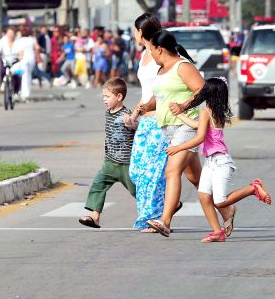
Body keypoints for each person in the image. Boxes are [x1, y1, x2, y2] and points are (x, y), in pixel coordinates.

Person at [167, 78, 272, 242]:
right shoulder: (215, 111)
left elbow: (200, 137)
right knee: (203, 196)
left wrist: (178, 148)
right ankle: (217, 232)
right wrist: (179, 114)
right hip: (211, 162)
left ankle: (253, 188)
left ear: (208, 93)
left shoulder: (206, 112)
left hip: (221, 162)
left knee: (220, 201)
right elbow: (197, 126)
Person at [141, 30, 220, 237]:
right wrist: (144, 108)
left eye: (151, 51)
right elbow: (160, 97)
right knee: (196, 178)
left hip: (187, 126)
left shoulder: (182, 66)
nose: (151, 55)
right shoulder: (161, 71)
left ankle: (165, 221)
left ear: (160, 49)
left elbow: (203, 90)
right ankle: (227, 209)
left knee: (172, 171)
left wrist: (184, 105)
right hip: (168, 128)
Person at [125, 13, 169, 232]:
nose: (134, 34)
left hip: (161, 121)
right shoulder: (144, 55)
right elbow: (146, 93)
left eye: (135, 29)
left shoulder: (162, 52)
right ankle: (155, 211)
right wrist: (134, 115)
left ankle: (154, 217)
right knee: (137, 170)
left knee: (154, 172)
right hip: (144, 122)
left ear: (141, 31)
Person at [79, 78, 137, 228]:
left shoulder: (126, 114)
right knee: (98, 185)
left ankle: (165, 208)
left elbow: (135, 125)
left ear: (119, 97)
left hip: (126, 163)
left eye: (107, 96)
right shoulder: (108, 113)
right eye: (103, 97)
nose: (104, 100)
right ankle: (95, 217)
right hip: (110, 161)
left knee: (136, 191)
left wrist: (130, 123)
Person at [0, 27, 22, 94]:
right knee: (2, 72)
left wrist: (21, 57)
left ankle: (16, 92)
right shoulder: (3, 41)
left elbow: (21, 51)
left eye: (12, 33)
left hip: (15, 61)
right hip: (5, 61)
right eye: (9, 33)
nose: (10, 35)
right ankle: (5, 83)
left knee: (16, 76)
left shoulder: (18, 41)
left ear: (14, 34)